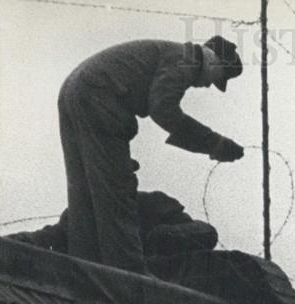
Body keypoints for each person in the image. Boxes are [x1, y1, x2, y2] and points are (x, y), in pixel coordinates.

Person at [57, 36, 244, 274]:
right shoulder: (186, 60)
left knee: (85, 194)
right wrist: (215, 143)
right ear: (214, 64)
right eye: (216, 80)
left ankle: (84, 272)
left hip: (75, 90)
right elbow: (163, 109)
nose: (207, 86)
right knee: (116, 192)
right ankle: (130, 279)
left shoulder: (175, 55)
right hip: (99, 96)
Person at [8, 187, 219, 258]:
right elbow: (48, 237)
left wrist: (163, 237)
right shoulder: (84, 215)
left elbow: (206, 232)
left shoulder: (151, 204)